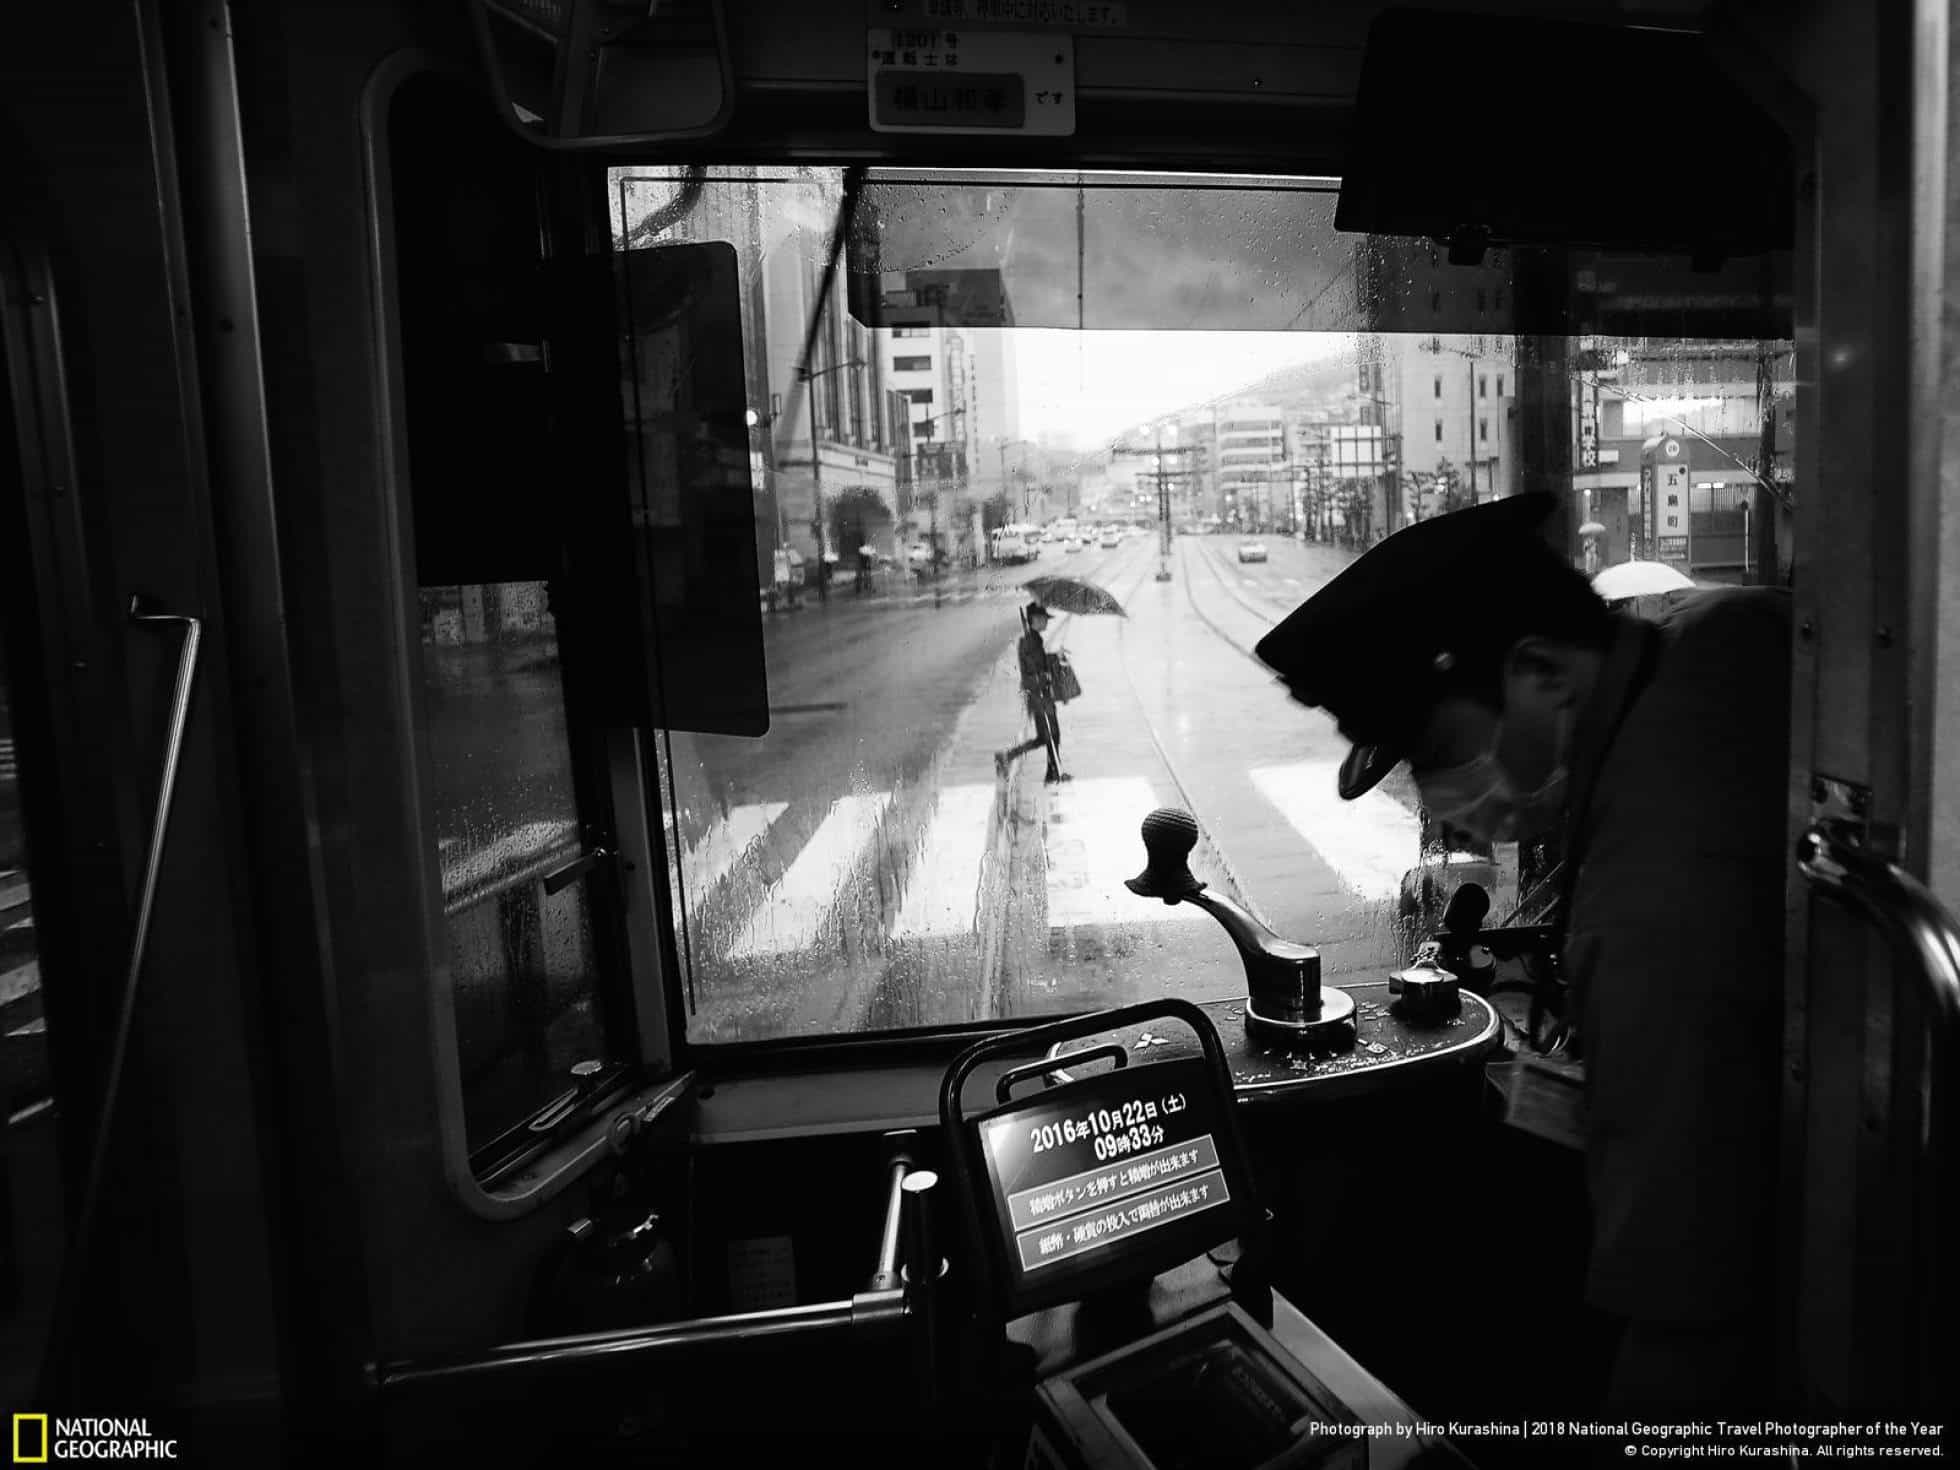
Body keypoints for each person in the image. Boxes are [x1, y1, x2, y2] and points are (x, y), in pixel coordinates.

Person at [1252, 492, 1790, 1426]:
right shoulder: (1703, 634)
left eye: (1436, 750)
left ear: (1540, 668)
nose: (1444, 797)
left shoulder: (1660, 882)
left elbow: (1686, 1318)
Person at [995, 602, 1069, 784]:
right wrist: (1046, 676)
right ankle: (1052, 773)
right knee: (1052, 735)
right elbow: (1032, 672)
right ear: (1035, 620)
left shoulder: (1034, 639)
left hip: (1040, 695)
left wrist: (1054, 657)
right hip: (1039, 696)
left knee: (1047, 736)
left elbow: (1040, 662)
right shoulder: (1030, 641)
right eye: (1044, 619)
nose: (1047, 622)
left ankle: (1049, 771)